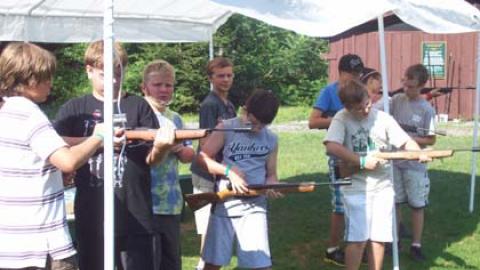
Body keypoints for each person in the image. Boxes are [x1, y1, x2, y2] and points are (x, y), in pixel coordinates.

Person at [54, 41, 174, 270]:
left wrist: (161, 147)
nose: (113, 80)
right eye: (104, 74)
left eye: (118, 73)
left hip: (136, 215)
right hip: (92, 214)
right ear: (89, 71)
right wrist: (97, 141)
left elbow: (151, 160)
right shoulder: (74, 109)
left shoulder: (138, 106)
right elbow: (55, 143)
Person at [0, 42, 106, 269]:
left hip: (10, 244)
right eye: (46, 76)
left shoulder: (6, 110)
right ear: (29, 78)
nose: (51, 82)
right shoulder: (28, 113)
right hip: (41, 245)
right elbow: (67, 161)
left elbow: (35, 153)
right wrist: (100, 136)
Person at [323, 79, 428, 270]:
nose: (365, 110)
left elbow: (406, 142)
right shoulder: (341, 118)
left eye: (367, 104)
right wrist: (361, 161)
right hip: (355, 188)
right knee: (358, 240)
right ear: (347, 107)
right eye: (358, 108)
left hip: (383, 187)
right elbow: (331, 145)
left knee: (379, 240)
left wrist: (418, 152)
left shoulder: (383, 118)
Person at [197, 89, 281, 270]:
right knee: (213, 262)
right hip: (225, 203)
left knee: (260, 264)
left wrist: (271, 184)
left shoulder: (272, 139)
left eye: (263, 125)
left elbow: (271, 173)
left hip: (255, 206)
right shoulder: (226, 127)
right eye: (255, 122)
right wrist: (228, 171)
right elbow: (202, 159)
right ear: (247, 111)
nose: (258, 129)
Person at [308, 53, 364, 266]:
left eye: (359, 73)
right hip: (338, 156)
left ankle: (355, 245)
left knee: (356, 201)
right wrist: (340, 118)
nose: (356, 78)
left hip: (357, 154)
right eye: (352, 74)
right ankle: (332, 249)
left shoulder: (360, 91)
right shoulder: (329, 92)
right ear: (341, 72)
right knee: (340, 205)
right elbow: (312, 122)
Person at [141, 59, 195, 270]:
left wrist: (177, 148)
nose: (164, 90)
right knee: (148, 260)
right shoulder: (138, 116)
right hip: (144, 203)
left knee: (171, 261)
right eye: (157, 85)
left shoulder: (176, 118)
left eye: (169, 85)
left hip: (171, 202)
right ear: (144, 87)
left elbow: (190, 154)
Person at [189, 56, 237, 270]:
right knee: (207, 225)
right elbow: (205, 140)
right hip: (206, 172)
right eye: (220, 76)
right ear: (211, 78)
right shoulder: (210, 104)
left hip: (221, 171)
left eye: (229, 75)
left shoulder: (229, 104)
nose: (225, 80)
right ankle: (203, 265)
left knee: (218, 224)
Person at [390, 64, 436, 261]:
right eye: (405, 84)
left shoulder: (427, 109)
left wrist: (409, 140)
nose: (406, 89)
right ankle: (397, 239)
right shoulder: (396, 100)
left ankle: (416, 244)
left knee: (417, 205)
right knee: (396, 201)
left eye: (411, 86)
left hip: (415, 164)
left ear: (422, 85)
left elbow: (431, 139)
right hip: (395, 161)